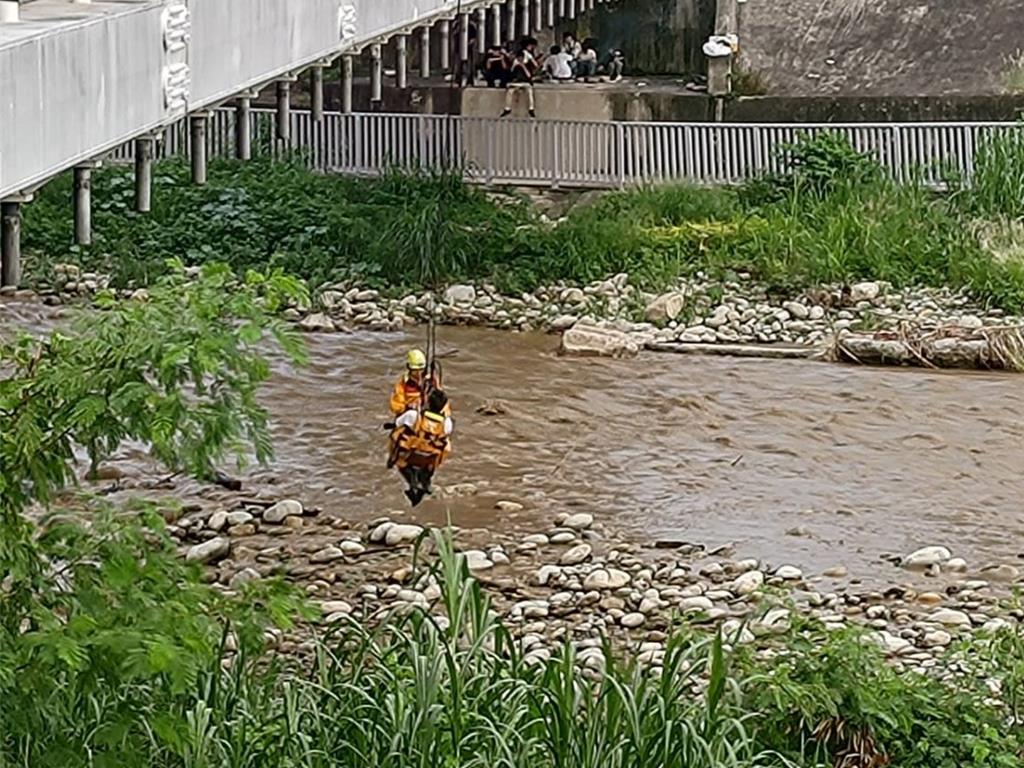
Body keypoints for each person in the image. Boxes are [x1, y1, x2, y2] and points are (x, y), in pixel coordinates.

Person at [389, 388, 454, 506]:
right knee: (447, 444)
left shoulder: (413, 415)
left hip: (410, 452)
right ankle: (427, 477)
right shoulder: (447, 423)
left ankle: (412, 481)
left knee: (396, 434)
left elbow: (398, 422)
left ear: (428, 402)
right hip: (430, 456)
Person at [389, 348, 443, 416]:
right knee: (413, 415)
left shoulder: (431, 381)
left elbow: (444, 403)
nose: (418, 373)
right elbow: (395, 407)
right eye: (415, 370)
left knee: (447, 422)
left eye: (421, 370)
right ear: (409, 368)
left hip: (427, 415)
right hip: (406, 416)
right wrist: (408, 406)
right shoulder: (403, 384)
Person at [499, 48, 536, 118]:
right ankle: (507, 108)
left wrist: (523, 66)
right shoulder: (513, 64)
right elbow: (508, 71)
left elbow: (529, 75)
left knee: (529, 91)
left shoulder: (527, 64)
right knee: (510, 92)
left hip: (525, 82)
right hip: (515, 82)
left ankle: (531, 108)